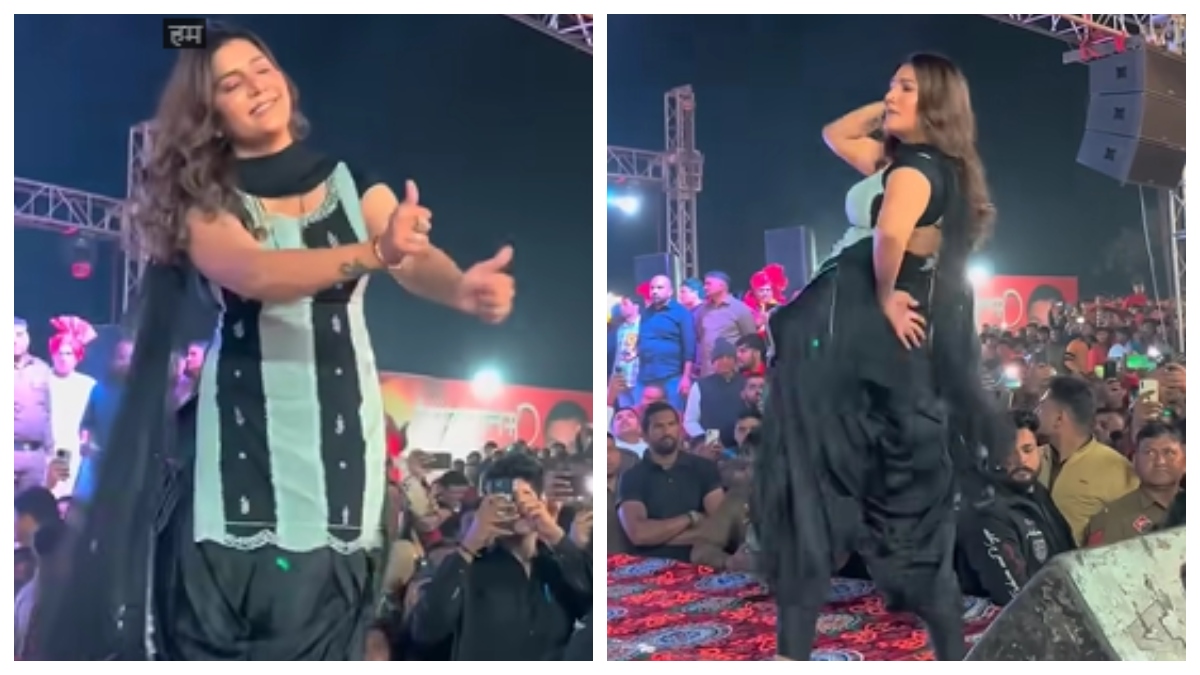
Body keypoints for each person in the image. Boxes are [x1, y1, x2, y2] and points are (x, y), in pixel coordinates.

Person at [34, 24, 515, 661]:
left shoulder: (349, 180)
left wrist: (460, 287)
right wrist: (375, 251)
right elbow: (257, 273)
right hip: (242, 453)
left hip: (345, 455)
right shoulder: (204, 197)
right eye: (232, 84)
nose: (257, 87)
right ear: (210, 113)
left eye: (262, 69)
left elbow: (411, 258)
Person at [755, 53, 1012, 661]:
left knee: (822, 489)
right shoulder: (906, 161)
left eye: (906, 87)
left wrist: (885, 296)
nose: (891, 94)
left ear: (937, 104)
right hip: (851, 336)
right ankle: (945, 648)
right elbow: (836, 134)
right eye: (891, 84)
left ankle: (802, 649)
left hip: (859, 334)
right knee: (865, 493)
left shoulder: (915, 172)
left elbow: (891, 234)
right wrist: (896, 107)